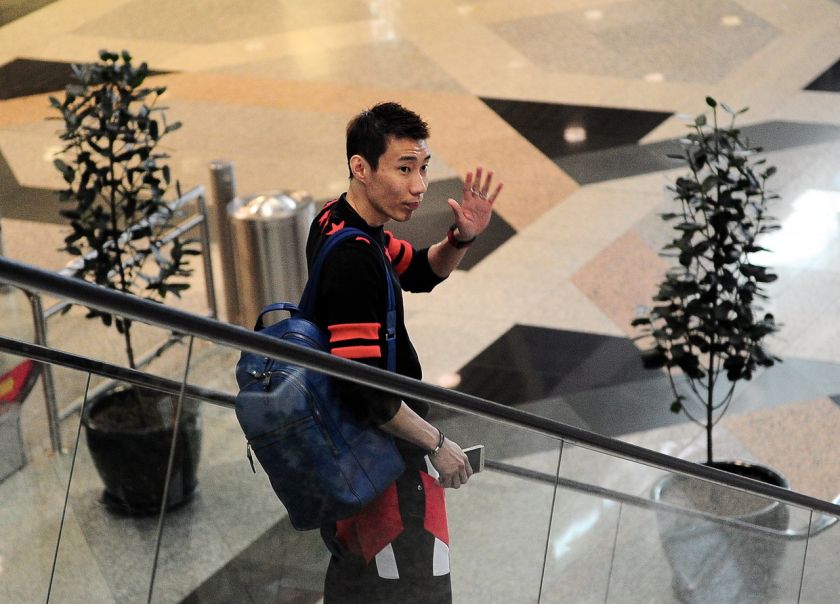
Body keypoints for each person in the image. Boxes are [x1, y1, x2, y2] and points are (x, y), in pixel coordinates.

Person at [307, 101, 503, 603]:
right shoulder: (353, 260)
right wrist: (437, 444)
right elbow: (368, 394)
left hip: (352, 458)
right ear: (360, 167)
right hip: (385, 471)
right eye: (404, 168)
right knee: (414, 588)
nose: (420, 186)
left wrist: (461, 238)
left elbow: (417, 270)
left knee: (355, 583)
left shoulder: (339, 221)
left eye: (423, 168)